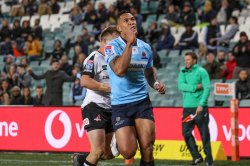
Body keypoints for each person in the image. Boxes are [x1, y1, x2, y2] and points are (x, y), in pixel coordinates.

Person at [104, 11, 165, 166]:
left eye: (133, 19)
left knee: (147, 147)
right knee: (128, 151)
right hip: (121, 105)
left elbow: (149, 72)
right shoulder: (112, 47)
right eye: (126, 21)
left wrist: (156, 84)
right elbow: (119, 70)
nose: (131, 22)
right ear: (119, 28)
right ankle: (117, 142)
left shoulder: (146, 47)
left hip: (141, 102)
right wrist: (130, 44)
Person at [73, 26, 119, 166]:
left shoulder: (115, 59)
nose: (118, 45)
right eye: (115, 42)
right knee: (98, 150)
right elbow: (85, 81)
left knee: (109, 153)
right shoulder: (94, 58)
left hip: (111, 109)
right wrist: (107, 88)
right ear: (104, 41)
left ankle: (81, 160)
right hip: (94, 107)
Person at [178, 52, 213, 166]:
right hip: (187, 109)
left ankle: (209, 160)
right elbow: (180, 86)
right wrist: (195, 87)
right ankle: (197, 156)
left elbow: (207, 88)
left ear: (195, 60)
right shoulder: (182, 71)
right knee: (186, 133)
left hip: (200, 108)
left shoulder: (202, 72)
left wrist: (201, 104)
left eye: (188, 60)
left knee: (204, 134)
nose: (186, 62)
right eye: (185, 60)